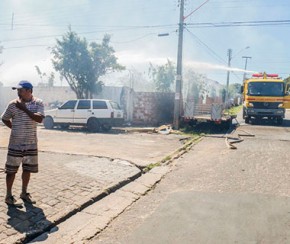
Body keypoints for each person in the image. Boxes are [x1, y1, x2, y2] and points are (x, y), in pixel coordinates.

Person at [1, 80, 44, 205]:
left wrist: (24, 109)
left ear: (29, 91)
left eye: (21, 90)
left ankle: (24, 193)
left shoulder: (38, 103)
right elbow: (4, 118)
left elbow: (39, 119)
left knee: (27, 169)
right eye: (17, 90)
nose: (18, 93)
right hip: (15, 143)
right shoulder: (12, 104)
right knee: (11, 171)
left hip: (31, 143)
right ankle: (8, 196)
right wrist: (14, 128)